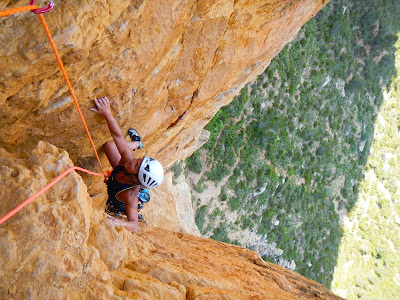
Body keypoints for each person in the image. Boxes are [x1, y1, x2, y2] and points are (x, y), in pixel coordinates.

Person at [90, 96, 164, 234]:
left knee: (112, 146)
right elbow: (118, 136)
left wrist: (120, 222)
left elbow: (134, 226)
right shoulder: (128, 161)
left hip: (115, 198)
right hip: (118, 175)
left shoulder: (130, 196)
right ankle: (137, 143)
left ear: (135, 179)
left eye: (136, 166)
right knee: (110, 145)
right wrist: (107, 113)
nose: (133, 160)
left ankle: (136, 144)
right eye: (138, 160)